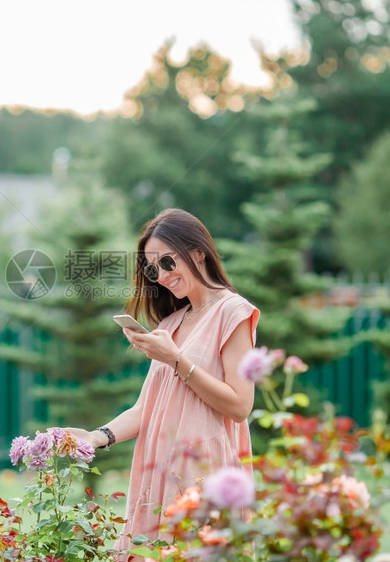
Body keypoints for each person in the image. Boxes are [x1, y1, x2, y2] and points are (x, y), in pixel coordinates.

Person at [66, 208, 259, 559]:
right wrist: (96, 437)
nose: (163, 276)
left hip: (205, 473)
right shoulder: (170, 325)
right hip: (158, 471)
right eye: (153, 270)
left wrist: (175, 359)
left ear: (198, 252)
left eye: (168, 262)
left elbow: (240, 405)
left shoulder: (234, 312)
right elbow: (145, 409)